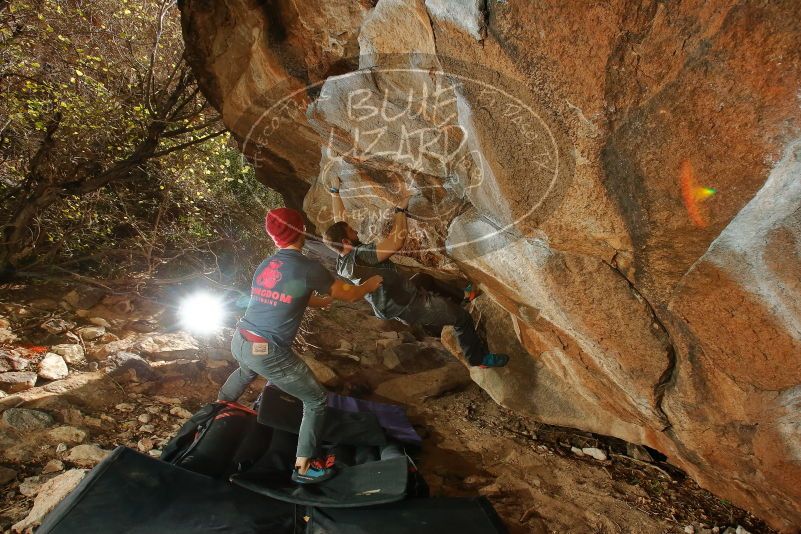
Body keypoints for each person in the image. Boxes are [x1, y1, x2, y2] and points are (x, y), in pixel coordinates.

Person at [218, 207, 383, 484]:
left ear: (274, 237)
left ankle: (217, 408)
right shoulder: (308, 267)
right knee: (316, 399)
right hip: (267, 351)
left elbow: (282, 294)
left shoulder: (266, 266)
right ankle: (304, 468)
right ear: (300, 230)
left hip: (242, 339)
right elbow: (351, 294)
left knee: (246, 371)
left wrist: (318, 301)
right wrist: (370, 284)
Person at [322, 178, 509, 369]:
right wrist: (400, 211)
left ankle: (464, 296)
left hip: (392, 300)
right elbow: (396, 242)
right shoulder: (362, 256)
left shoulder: (342, 261)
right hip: (408, 304)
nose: (355, 231)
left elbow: (339, 222)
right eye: (352, 232)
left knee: (424, 279)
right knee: (462, 319)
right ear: (345, 241)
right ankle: (477, 359)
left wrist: (334, 192)